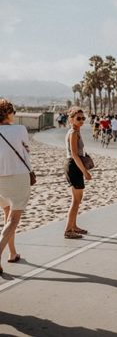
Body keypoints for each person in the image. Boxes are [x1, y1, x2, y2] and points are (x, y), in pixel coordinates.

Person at [0, 99, 32, 273]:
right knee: (13, 219)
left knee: (7, 215)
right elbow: (27, 149)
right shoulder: (20, 129)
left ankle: (12, 253)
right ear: (8, 113)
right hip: (17, 176)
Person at [64, 106, 92, 239]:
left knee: (78, 199)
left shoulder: (75, 131)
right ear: (71, 119)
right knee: (75, 200)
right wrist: (85, 172)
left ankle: (74, 226)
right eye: (78, 118)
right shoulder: (73, 133)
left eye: (83, 118)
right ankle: (68, 230)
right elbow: (74, 155)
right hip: (74, 166)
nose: (81, 120)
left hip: (74, 165)